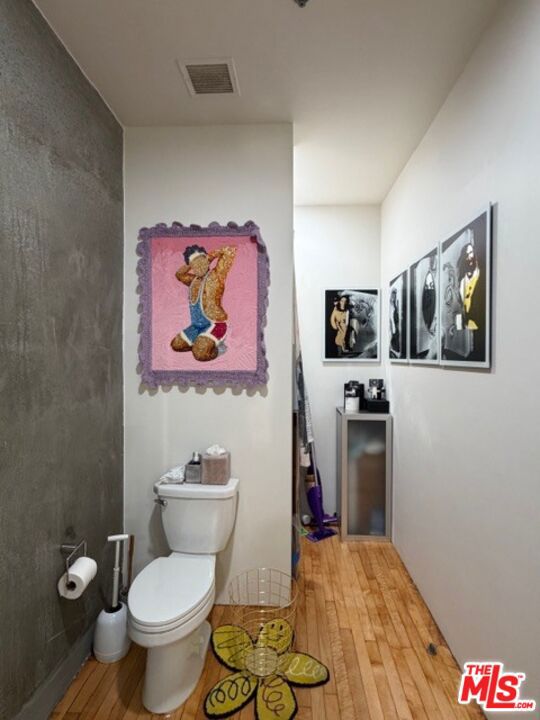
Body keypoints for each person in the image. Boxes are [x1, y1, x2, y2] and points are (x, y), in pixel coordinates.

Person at [170, 243, 237, 361]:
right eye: (195, 264)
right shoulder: (193, 281)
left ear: (207, 260)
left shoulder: (215, 276)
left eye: (201, 261)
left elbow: (230, 250)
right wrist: (191, 262)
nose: (199, 265)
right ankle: (201, 342)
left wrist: (208, 257)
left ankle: (219, 348)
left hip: (215, 325)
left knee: (200, 354)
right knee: (176, 345)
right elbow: (179, 274)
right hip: (196, 327)